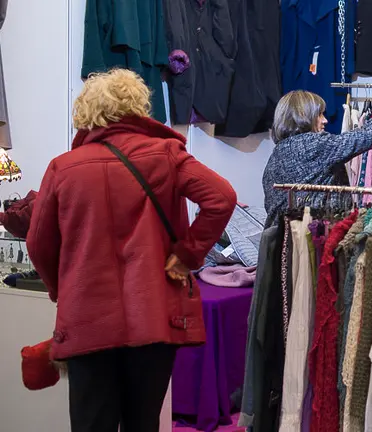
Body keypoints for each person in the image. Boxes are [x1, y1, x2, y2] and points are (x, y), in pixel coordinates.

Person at [26, 69, 237, 432]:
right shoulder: (166, 154)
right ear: (138, 107)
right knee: (143, 422)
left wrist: (61, 289)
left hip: (87, 319)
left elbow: (37, 242)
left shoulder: (64, 168)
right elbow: (222, 198)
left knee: (91, 423)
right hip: (152, 315)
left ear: (87, 111)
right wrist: (187, 255)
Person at [262, 89, 372, 227]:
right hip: (313, 243)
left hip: (281, 244)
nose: (325, 121)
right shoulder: (313, 145)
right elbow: (365, 135)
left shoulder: (275, 157)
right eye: (319, 115)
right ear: (302, 117)